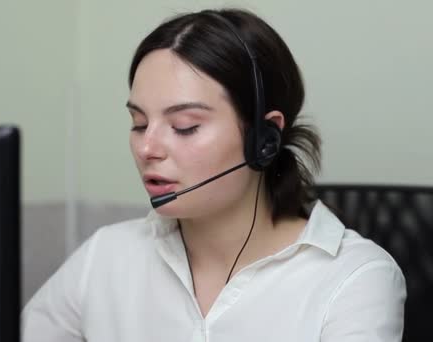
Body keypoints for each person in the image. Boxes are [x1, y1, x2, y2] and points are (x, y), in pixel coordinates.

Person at [21, 8, 406, 341]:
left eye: (185, 126)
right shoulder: (106, 256)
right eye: (139, 123)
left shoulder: (355, 279)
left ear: (263, 139)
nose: (146, 148)